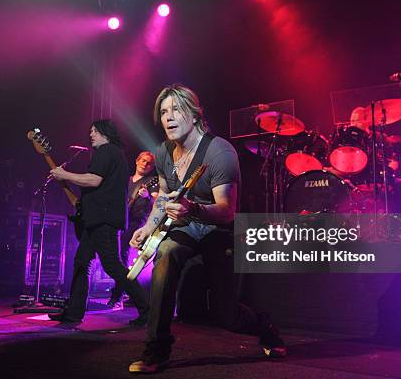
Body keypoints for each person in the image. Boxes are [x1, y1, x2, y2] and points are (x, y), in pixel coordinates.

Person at [128, 84, 287, 373]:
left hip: (216, 227)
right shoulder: (163, 152)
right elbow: (163, 198)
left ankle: (265, 326)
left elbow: (227, 211)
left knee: (225, 315)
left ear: (195, 113)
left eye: (176, 109)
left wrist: (194, 208)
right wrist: (149, 228)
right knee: (166, 253)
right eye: (164, 112)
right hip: (184, 227)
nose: (168, 117)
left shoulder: (219, 152)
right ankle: (157, 350)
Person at [48, 119, 149, 326]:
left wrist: (64, 174)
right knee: (81, 263)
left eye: (94, 131)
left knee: (112, 265)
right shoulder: (115, 155)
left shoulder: (106, 151)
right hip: (96, 219)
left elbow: (94, 180)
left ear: (105, 133)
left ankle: (147, 310)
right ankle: (74, 314)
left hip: (104, 220)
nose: (91, 134)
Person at [107, 151, 159, 307]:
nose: (145, 164)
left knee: (123, 257)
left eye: (149, 163)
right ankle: (125, 292)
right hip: (121, 221)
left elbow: (158, 203)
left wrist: (147, 197)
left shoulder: (152, 181)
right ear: (137, 161)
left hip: (137, 223)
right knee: (116, 257)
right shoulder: (127, 180)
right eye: (143, 161)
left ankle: (119, 294)